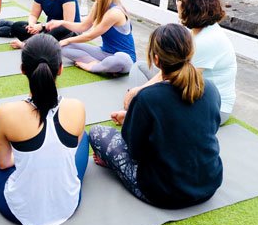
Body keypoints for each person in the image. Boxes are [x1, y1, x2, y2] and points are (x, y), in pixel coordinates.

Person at [0, 34, 89, 225]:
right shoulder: (77, 107)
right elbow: (70, 154)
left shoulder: (7, 113)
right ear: (61, 69)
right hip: (69, 203)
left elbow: (3, 163)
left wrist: (22, 155)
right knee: (83, 138)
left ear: (22, 70)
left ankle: (23, 153)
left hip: (20, 211)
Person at [89, 23, 223, 209]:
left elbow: (134, 151)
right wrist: (131, 116)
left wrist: (130, 119)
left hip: (162, 192)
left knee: (96, 132)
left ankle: (111, 164)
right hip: (208, 184)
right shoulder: (211, 89)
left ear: (157, 60)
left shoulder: (147, 98)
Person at [123, 0, 236, 125]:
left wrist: (138, 92)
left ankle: (137, 110)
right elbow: (170, 71)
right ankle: (137, 106)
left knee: (153, 93)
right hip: (192, 89)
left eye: (178, 0)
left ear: (191, 7)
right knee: (139, 67)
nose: (176, 4)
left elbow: (175, 78)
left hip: (212, 108)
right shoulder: (198, 31)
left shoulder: (207, 40)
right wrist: (139, 90)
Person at [46, 0, 136, 75]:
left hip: (124, 59)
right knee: (62, 47)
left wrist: (68, 40)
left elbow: (90, 36)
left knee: (121, 59)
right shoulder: (98, 4)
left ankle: (93, 67)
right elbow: (83, 27)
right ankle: (101, 65)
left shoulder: (114, 13)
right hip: (104, 53)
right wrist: (62, 23)